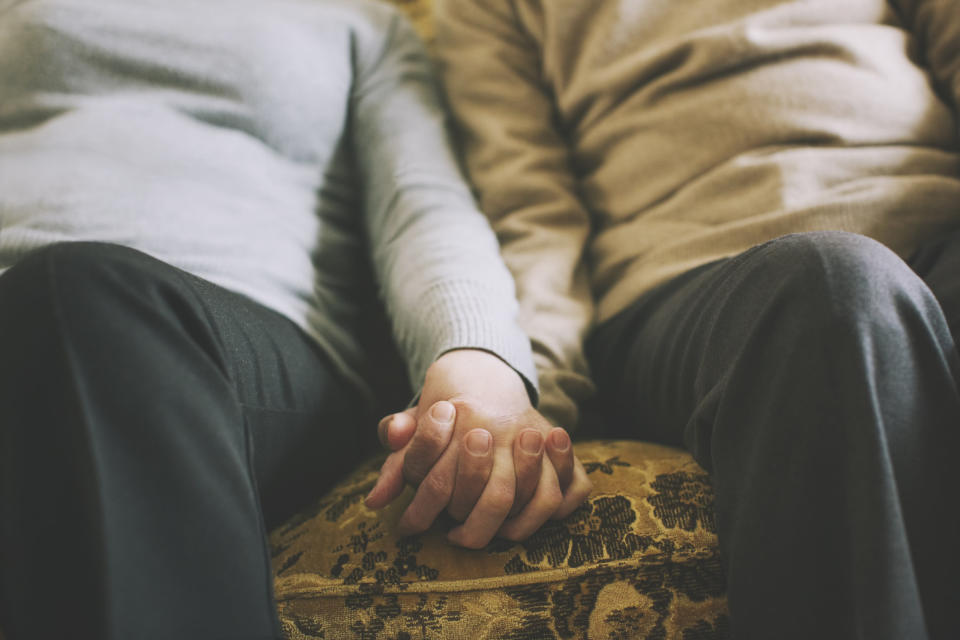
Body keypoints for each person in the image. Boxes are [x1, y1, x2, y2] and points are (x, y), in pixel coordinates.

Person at [0, 1, 591, 639]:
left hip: (237, 341)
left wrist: (478, 363)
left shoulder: (364, 25)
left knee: (86, 298)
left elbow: (419, 203)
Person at [381, 0, 960, 638]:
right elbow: (531, 212)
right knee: (839, 287)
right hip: (695, 286)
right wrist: (529, 387)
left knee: (849, 281)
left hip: (935, 224)